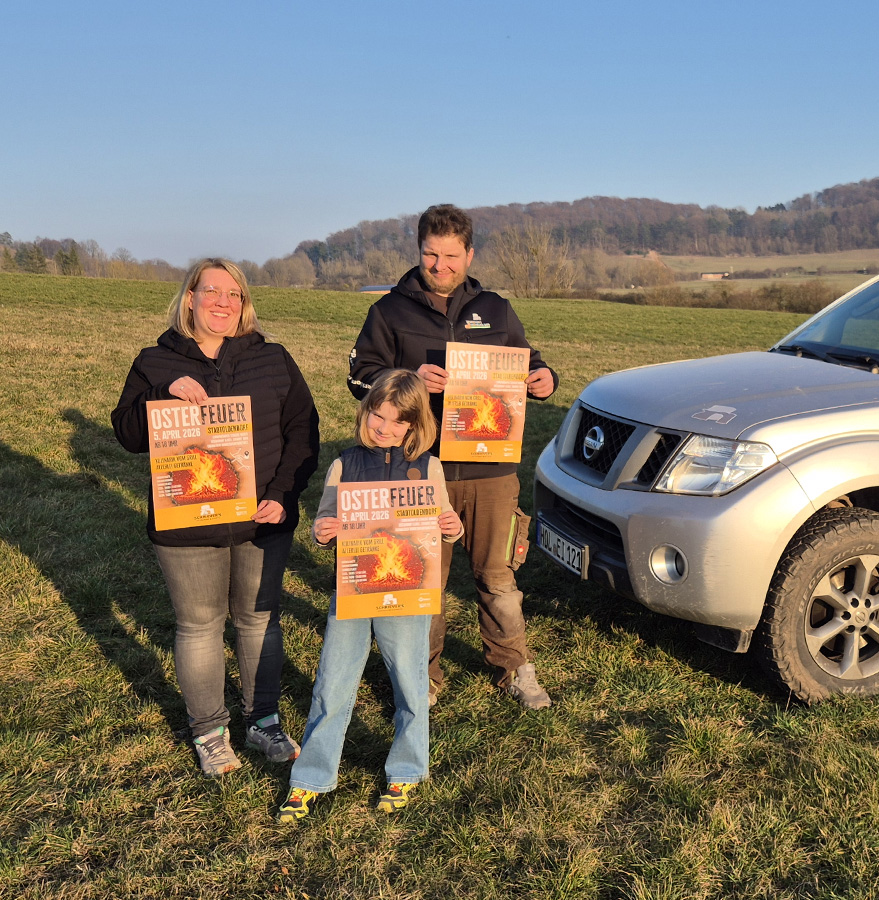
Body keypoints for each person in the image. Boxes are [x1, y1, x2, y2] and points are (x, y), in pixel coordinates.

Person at [112, 258, 320, 776]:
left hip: (262, 518)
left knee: (258, 622)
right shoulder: (154, 361)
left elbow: (304, 431)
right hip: (187, 524)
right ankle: (209, 730)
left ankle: (263, 720)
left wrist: (283, 495)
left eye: (234, 294)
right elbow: (129, 434)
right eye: (212, 292)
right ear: (189, 298)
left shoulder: (272, 359)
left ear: (245, 303)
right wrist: (162, 397)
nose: (223, 302)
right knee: (200, 626)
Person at [347, 204, 558, 709]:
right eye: (430, 254)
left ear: (469, 253)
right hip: (419, 466)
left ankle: (514, 667)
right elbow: (359, 379)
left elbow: (527, 358)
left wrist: (545, 378)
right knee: (423, 581)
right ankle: (422, 676)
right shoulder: (388, 311)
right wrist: (408, 377)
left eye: (450, 255)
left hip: (492, 471)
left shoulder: (496, 307)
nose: (440, 265)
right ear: (418, 250)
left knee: (498, 577)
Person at [277, 370, 462, 822]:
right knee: (333, 681)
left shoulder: (429, 468)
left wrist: (451, 526)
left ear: (416, 427)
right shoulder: (345, 463)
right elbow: (324, 521)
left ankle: (407, 769)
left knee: (411, 680)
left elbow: (444, 518)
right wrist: (324, 531)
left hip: (406, 594)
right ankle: (311, 778)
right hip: (355, 590)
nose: (384, 428)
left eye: (398, 423)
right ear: (366, 413)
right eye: (378, 416)